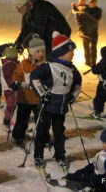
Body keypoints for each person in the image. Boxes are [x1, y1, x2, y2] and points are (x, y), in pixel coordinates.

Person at [30, 32, 82, 167]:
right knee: (42, 131)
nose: (73, 54)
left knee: (59, 133)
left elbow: (78, 82)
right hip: (46, 106)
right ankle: (38, 155)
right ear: (61, 52)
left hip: (61, 107)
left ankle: (60, 154)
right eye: (71, 51)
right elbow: (34, 77)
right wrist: (42, 93)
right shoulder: (49, 66)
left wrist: (72, 96)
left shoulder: (71, 68)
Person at [66, 122, 106, 192]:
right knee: (88, 171)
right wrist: (80, 173)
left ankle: (89, 188)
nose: (104, 145)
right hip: (103, 177)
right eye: (103, 143)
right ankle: (76, 180)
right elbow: (95, 165)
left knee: (99, 182)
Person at [11, 37, 46, 147]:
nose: (41, 54)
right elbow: (16, 75)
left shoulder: (45, 66)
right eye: (38, 51)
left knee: (41, 121)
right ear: (31, 52)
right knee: (22, 119)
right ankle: (18, 136)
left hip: (38, 99)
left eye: (43, 52)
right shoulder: (23, 64)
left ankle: (43, 138)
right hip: (24, 98)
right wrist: (16, 83)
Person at [72, 0, 102, 66]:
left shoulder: (98, 10)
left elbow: (95, 19)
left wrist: (87, 12)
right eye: (89, 3)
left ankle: (93, 62)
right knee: (86, 48)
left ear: (94, 4)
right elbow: (77, 10)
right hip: (85, 32)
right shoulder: (86, 8)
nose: (89, 5)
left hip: (94, 31)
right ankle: (87, 62)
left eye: (91, 4)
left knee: (93, 48)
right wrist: (74, 6)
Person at [0, 46, 19, 127]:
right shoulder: (9, 64)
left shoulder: (12, 63)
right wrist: (12, 85)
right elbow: (8, 77)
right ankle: (7, 119)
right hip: (9, 88)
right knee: (11, 104)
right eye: (16, 54)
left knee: (13, 104)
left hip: (11, 88)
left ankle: (8, 118)